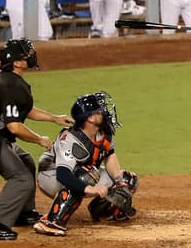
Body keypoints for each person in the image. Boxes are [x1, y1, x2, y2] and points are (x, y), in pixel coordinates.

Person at [0, 38, 74, 241]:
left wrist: (54, 118)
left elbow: (25, 110)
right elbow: (14, 127)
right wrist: (40, 139)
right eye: (26, 54)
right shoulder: (8, 85)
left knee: (26, 162)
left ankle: (22, 212)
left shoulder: (10, 81)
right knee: (22, 179)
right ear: (16, 63)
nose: (31, 56)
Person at [33, 91, 138, 236]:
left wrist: (119, 181)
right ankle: (52, 221)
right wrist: (90, 189)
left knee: (127, 180)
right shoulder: (71, 139)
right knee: (86, 174)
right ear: (90, 118)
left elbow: (110, 156)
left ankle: (101, 211)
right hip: (51, 176)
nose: (105, 112)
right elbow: (63, 174)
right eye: (100, 110)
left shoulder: (103, 132)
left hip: (83, 173)